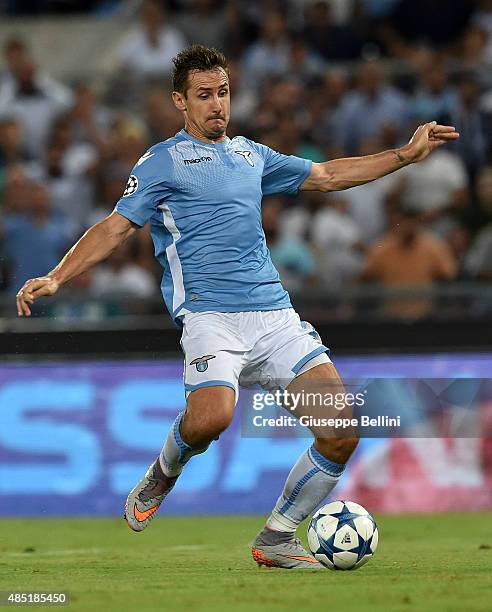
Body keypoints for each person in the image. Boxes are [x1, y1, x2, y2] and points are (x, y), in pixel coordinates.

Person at [16, 45, 459, 569]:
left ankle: (276, 538)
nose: (217, 105)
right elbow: (116, 226)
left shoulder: (252, 155)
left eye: (223, 92)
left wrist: (403, 156)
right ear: (180, 102)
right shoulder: (160, 161)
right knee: (212, 419)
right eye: (204, 95)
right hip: (210, 316)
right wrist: (58, 275)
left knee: (341, 431)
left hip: (274, 317)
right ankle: (164, 472)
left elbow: (327, 175)